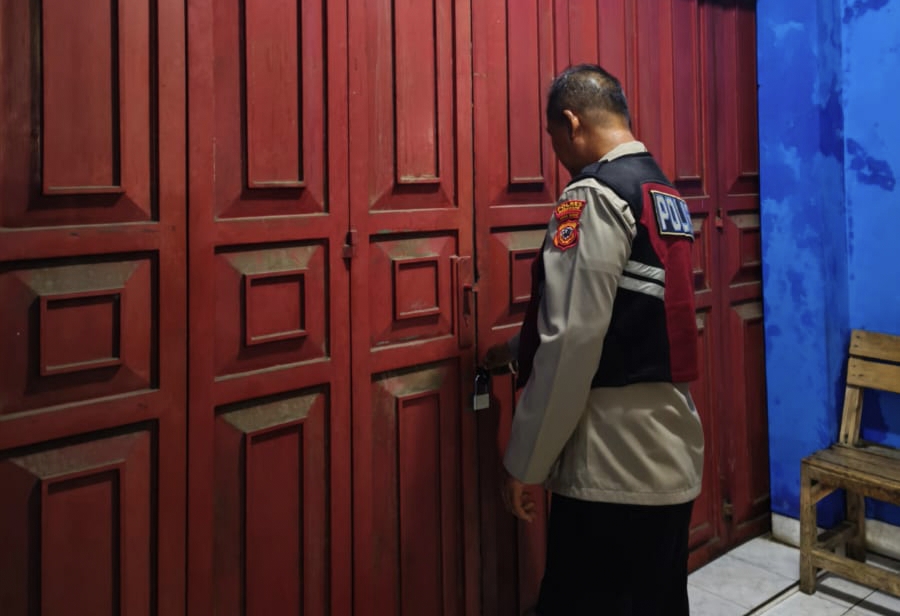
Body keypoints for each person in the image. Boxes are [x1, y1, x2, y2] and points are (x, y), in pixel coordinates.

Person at [483, 64, 704, 615]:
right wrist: (514, 352)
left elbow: (571, 344)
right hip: (669, 451)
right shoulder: (662, 192)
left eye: (553, 137)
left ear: (572, 122)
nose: (556, 152)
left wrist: (525, 462)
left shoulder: (594, 195)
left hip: (612, 466)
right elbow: (634, 312)